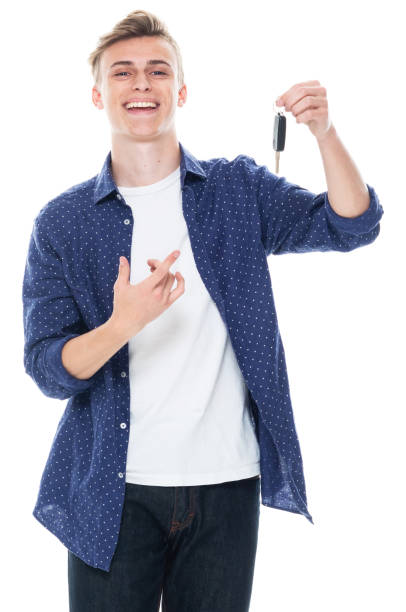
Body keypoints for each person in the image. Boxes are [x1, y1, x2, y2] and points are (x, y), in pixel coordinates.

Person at [22, 9, 384, 612]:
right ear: (97, 94)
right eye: (123, 73)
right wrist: (124, 324)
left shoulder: (236, 191)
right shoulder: (62, 223)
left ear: (180, 90)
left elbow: (351, 225)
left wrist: (325, 133)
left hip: (225, 487)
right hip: (113, 491)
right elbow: (47, 366)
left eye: (157, 70)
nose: (142, 83)